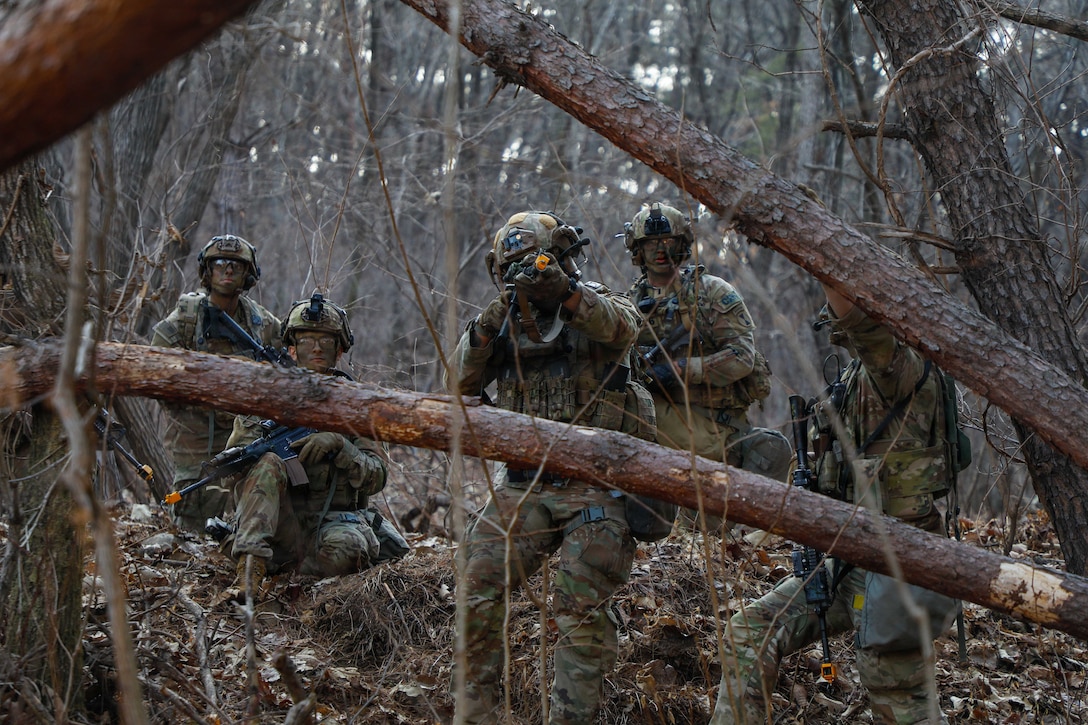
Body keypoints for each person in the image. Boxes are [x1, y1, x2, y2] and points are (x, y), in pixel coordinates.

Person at [709, 285, 960, 725]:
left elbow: (862, 324)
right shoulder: (863, 374)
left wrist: (816, 249)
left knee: (895, 691)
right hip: (850, 561)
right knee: (748, 632)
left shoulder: (900, 366)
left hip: (902, 566)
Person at [447, 210, 646, 724]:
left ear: (562, 258)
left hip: (597, 490)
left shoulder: (595, 302)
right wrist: (491, 320)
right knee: (477, 582)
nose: (528, 277)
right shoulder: (501, 324)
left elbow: (624, 329)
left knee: (577, 606)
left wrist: (567, 295)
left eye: (535, 264)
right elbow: (458, 386)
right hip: (524, 486)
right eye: (513, 268)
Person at [623, 202, 791, 532]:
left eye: (669, 241)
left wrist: (682, 370)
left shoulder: (712, 293)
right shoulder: (627, 305)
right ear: (637, 250)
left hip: (717, 428)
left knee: (770, 451)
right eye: (650, 243)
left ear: (683, 243)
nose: (660, 249)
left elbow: (742, 357)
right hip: (656, 431)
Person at [227, 294, 407, 595]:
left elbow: (377, 476)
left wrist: (340, 447)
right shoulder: (265, 399)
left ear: (339, 350)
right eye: (308, 339)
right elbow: (238, 471)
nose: (317, 347)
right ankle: (250, 571)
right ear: (292, 349)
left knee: (349, 550)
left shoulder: (356, 403)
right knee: (267, 461)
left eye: (326, 340)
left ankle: (296, 569)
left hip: (335, 522)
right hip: (279, 522)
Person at [151, 234, 281, 533]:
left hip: (247, 436)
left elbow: (286, 374)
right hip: (194, 438)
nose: (228, 270)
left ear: (249, 273)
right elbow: (156, 375)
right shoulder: (184, 321)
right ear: (207, 271)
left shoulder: (262, 324)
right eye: (220, 263)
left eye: (237, 265)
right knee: (194, 518)